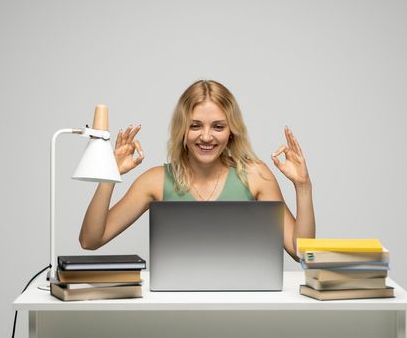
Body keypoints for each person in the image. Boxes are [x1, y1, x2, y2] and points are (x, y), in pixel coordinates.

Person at [79, 80, 315, 261]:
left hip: (241, 305)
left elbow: (301, 253)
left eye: (218, 127)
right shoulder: (154, 181)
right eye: (195, 126)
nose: (206, 136)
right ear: (182, 130)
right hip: (173, 309)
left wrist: (303, 186)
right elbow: (90, 240)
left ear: (231, 131)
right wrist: (108, 173)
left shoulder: (256, 176)